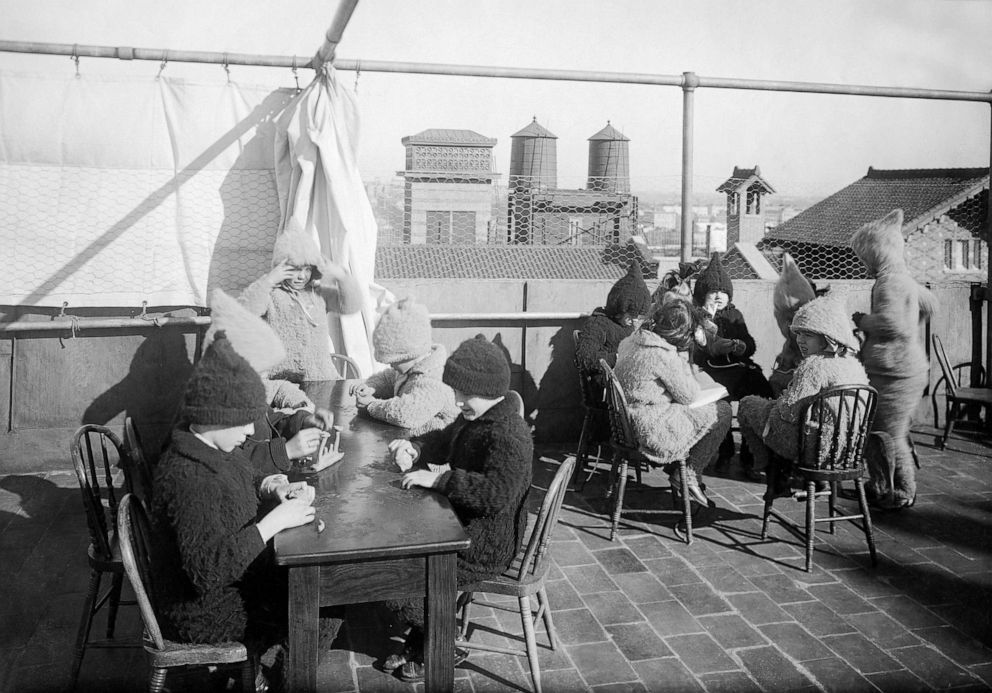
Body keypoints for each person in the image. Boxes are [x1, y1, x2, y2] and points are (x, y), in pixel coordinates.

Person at [150, 333, 317, 690]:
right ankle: (289, 677)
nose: (248, 431)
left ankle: (267, 672)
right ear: (213, 417)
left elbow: (243, 478)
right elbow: (208, 571)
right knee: (316, 602)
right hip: (207, 610)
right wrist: (272, 523)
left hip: (230, 585)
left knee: (312, 589)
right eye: (242, 422)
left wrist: (272, 485)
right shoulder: (187, 477)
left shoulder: (211, 448)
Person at [381, 336, 534, 682]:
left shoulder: (509, 435)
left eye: (466, 395)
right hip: (464, 525)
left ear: (491, 390)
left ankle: (441, 640)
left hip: (485, 544)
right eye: (457, 392)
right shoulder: (477, 418)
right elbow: (445, 439)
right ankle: (424, 640)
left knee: (400, 578)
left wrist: (440, 482)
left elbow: (495, 495)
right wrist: (416, 448)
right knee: (408, 552)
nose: (459, 401)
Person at [738, 294, 870, 498]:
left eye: (807, 335)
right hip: (846, 450)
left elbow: (788, 412)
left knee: (749, 406)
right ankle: (788, 476)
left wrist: (780, 402)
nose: (799, 340)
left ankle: (767, 468)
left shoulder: (813, 366)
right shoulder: (854, 365)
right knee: (777, 419)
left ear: (828, 338)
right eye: (798, 334)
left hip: (814, 450)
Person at [851, 209, 937, 510]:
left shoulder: (889, 283)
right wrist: (914, 331)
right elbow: (930, 304)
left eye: (865, 256)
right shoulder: (903, 279)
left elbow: (894, 324)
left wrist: (863, 321)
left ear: (876, 252)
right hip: (901, 369)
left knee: (888, 434)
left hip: (896, 373)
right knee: (878, 430)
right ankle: (879, 484)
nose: (864, 263)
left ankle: (903, 489)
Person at [613, 300, 733, 506]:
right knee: (723, 411)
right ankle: (688, 473)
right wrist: (684, 358)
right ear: (680, 333)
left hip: (627, 421)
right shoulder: (662, 354)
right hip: (651, 427)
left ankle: (679, 469)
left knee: (702, 411)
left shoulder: (633, 340)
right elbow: (689, 396)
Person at [207, 288, 334, 476]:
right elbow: (232, 463)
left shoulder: (248, 392)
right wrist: (286, 451)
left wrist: (304, 421)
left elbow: (271, 421)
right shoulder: (221, 409)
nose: (264, 381)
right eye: (259, 374)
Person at [240, 227, 364, 383]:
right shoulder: (270, 294)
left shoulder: (318, 293)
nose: (301, 276)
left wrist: (341, 276)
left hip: (323, 378)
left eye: (307, 269)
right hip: (283, 382)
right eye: (294, 269)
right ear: (281, 268)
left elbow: (351, 305)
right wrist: (269, 280)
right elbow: (242, 313)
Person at [691, 251, 773, 477]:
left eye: (723, 292)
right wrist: (711, 342)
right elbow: (693, 350)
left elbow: (750, 343)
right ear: (702, 294)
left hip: (738, 370)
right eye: (713, 292)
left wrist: (741, 346)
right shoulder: (695, 315)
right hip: (711, 370)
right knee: (719, 402)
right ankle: (723, 449)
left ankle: (750, 452)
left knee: (762, 390)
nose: (718, 296)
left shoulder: (734, 314)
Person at [353, 298, 459, 435]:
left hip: (435, 447)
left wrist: (372, 405)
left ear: (409, 354)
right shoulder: (411, 368)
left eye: (394, 360)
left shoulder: (435, 380)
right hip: (409, 442)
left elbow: (407, 413)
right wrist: (371, 387)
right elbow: (389, 378)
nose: (391, 364)